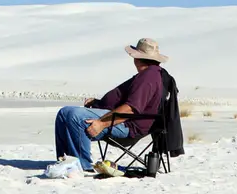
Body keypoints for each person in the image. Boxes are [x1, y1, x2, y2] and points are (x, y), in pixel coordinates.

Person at [53, 37, 168, 175]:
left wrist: (101, 123)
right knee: (64, 112)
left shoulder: (148, 78)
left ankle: (82, 165)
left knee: (75, 116)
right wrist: (97, 104)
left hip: (129, 126)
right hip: (125, 120)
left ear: (137, 58)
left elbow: (131, 108)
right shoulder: (149, 74)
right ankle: (66, 161)